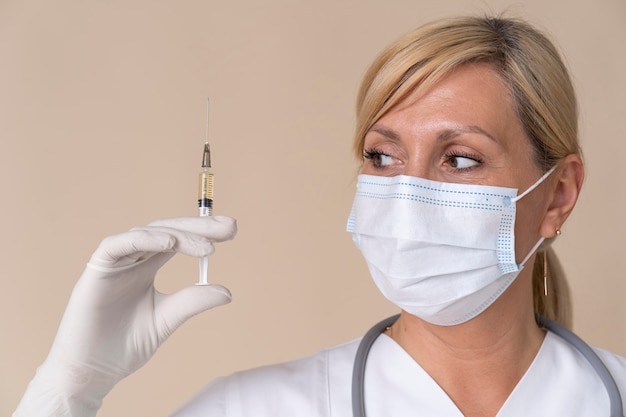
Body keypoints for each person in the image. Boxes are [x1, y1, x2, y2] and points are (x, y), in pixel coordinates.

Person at [14, 15, 626, 417]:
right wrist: (70, 386)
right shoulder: (252, 410)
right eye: (382, 156)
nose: (407, 193)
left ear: (558, 195)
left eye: (459, 159)